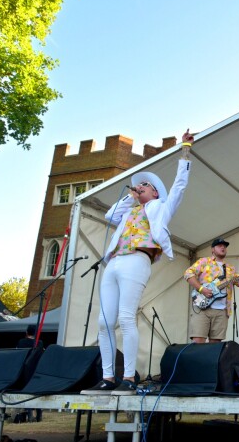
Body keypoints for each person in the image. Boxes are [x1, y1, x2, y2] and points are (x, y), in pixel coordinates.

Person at [81, 131, 193, 396]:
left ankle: (129, 377)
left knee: (126, 317)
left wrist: (185, 151)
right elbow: (110, 214)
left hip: (137, 259)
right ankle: (108, 377)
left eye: (145, 185)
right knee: (103, 322)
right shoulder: (128, 211)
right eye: (138, 184)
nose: (139, 186)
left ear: (155, 192)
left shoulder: (159, 208)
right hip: (115, 262)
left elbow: (179, 187)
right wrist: (130, 197)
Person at [184, 238, 239, 343]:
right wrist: (202, 289)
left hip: (222, 311)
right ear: (213, 249)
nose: (223, 247)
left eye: (225, 246)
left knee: (215, 346)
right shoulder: (204, 261)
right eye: (219, 245)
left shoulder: (230, 268)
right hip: (203, 308)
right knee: (198, 342)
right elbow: (188, 274)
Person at [16, 324, 43, 422]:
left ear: (27, 332)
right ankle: (39, 414)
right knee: (36, 391)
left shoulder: (21, 342)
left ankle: (29, 412)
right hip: (35, 370)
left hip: (24, 370)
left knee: (26, 391)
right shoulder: (39, 343)